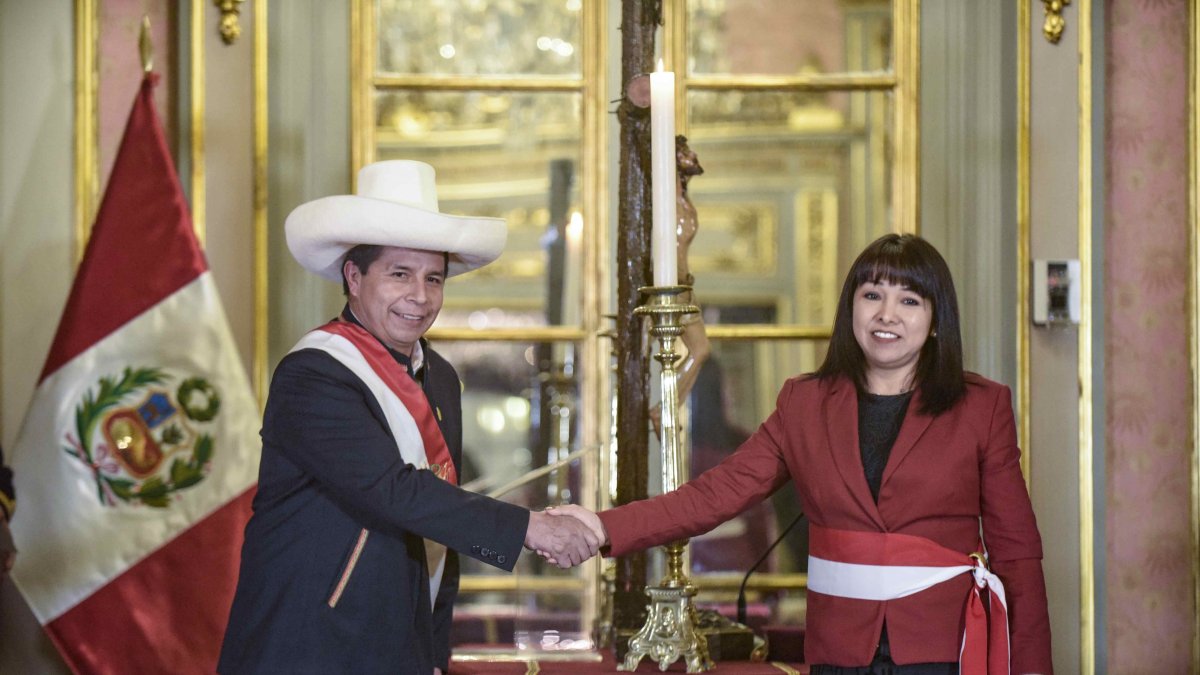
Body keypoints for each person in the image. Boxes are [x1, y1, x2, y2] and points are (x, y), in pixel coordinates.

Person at [553, 234, 1053, 674]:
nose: (887, 314)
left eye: (910, 301)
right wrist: (602, 526)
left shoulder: (982, 407)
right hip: (839, 649)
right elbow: (714, 495)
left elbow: (1018, 555)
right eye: (872, 295)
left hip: (945, 647)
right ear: (850, 310)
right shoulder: (804, 402)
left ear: (937, 318)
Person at [219, 160, 600, 675]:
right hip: (310, 647)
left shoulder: (439, 377)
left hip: (402, 649)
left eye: (434, 279)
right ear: (354, 277)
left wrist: (433, 649)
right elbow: (396, 491)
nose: (419, 297)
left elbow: (435, 529)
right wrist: (529, 529)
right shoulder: (313, 375)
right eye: (399, 275)